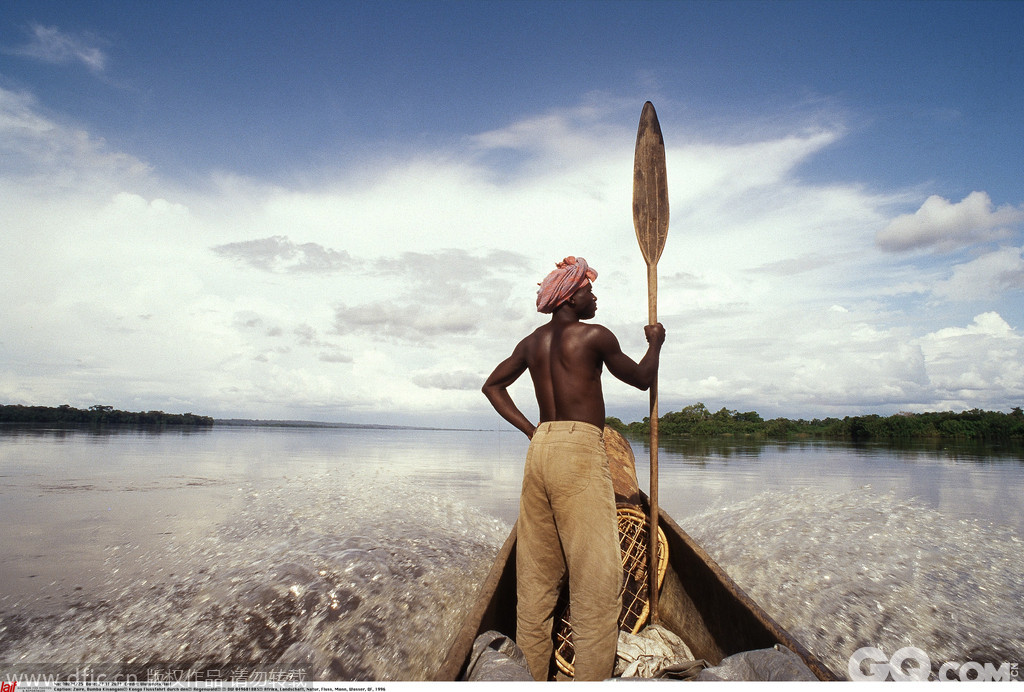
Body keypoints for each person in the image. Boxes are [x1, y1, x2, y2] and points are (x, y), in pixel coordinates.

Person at [482, 256, 665, 681]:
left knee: (536, 576)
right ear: (570, 297)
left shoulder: (531, 343)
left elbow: (492, 385)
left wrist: (532, 430)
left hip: (541, 449)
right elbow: (641, 378)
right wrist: (655, 342)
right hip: (579, 449)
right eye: (588, 289)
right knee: (597, 579)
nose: (594, 296)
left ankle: (530, 676)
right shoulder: (594, 336)